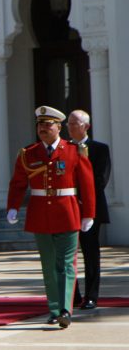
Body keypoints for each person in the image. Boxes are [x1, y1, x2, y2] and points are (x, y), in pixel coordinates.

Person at [6, 106, 95, 328]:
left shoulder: (74, 151)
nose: (43, 129)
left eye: (48, 125)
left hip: (67, 212)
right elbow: (18, 182)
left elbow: (87, 184)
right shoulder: (29, 153)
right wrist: (13, 207)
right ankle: (54, 309)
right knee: (48, 265)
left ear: (58, 127)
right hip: (40, 213)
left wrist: (89, 214)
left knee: (66, 264)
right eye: (40, 125)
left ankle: (66, 310)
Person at [68, 110, 110, 310]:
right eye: (69, 123)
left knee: (91, 253)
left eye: (74, 123)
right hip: (67, 208)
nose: (70, 126)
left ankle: (91, 296)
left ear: (86, 126)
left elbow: (101, 180)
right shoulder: (64, 148)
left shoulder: (100, 149)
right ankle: (73, 295)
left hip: (90, 209)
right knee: (68, 254)